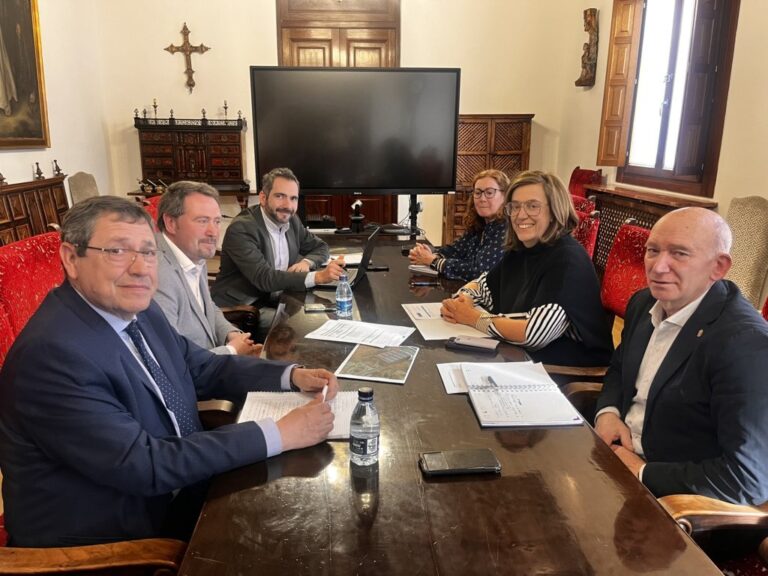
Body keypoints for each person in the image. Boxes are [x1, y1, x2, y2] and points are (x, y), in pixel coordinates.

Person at [0, 196, 338, 547]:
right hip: (114, 542)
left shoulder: (139, 311)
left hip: (180, 489)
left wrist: (291, 376)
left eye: (148, 252)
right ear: (72, 258)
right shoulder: (52, 356)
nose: (140, 268)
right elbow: (144, 464)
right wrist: (279, 433)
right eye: (118, 251)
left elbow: (202, 366)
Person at [594, 207, 768, 505]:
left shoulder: (745, 343)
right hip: (614, 459)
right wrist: (607, 413)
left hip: (673, 502)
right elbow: (619, 368)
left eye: (679, 253)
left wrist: (642, 472)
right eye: (653, 250)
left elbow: (747, 478)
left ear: (718, 267)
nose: (658, 267)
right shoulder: (643, 303)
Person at [440, 170, 612, 366]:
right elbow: (482, 286)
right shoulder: (521, 250)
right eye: (514, 206)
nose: (520, 215)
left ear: (554, 211)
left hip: (564, 371)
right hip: (520, 358)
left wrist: (472, 317)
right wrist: (463, 301)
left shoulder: (568, 260)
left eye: (532, 206)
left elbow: (534, 333)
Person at [212, 167, 345, 310]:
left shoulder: (292, 220)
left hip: (279, 298)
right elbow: (264, 278)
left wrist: (306, 262)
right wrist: (318, 277)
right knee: (307, 321)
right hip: (244, 307)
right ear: (263, 198)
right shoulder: (241, 229)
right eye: (280, 196)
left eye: (293, 198)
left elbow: (321, 247)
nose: (288, 206)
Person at [154, 180, 260, 356]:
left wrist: (231, 334)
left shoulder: (192, 253)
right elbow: (171, 359)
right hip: (198, 371)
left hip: (212, 361)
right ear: (171, 223)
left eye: (217, 221)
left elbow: (207, 308)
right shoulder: (156, 273)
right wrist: (232, 350)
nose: (213, 232)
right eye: (202, 221)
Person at [409, 169, 510, 281]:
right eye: (477, 193)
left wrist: (433, 261)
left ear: (505, 196)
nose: (482, 199)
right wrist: (430, 254)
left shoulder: (506, 230)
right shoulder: (479, 224)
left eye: (489, 193)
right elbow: (456, 250)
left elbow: (478, 271)